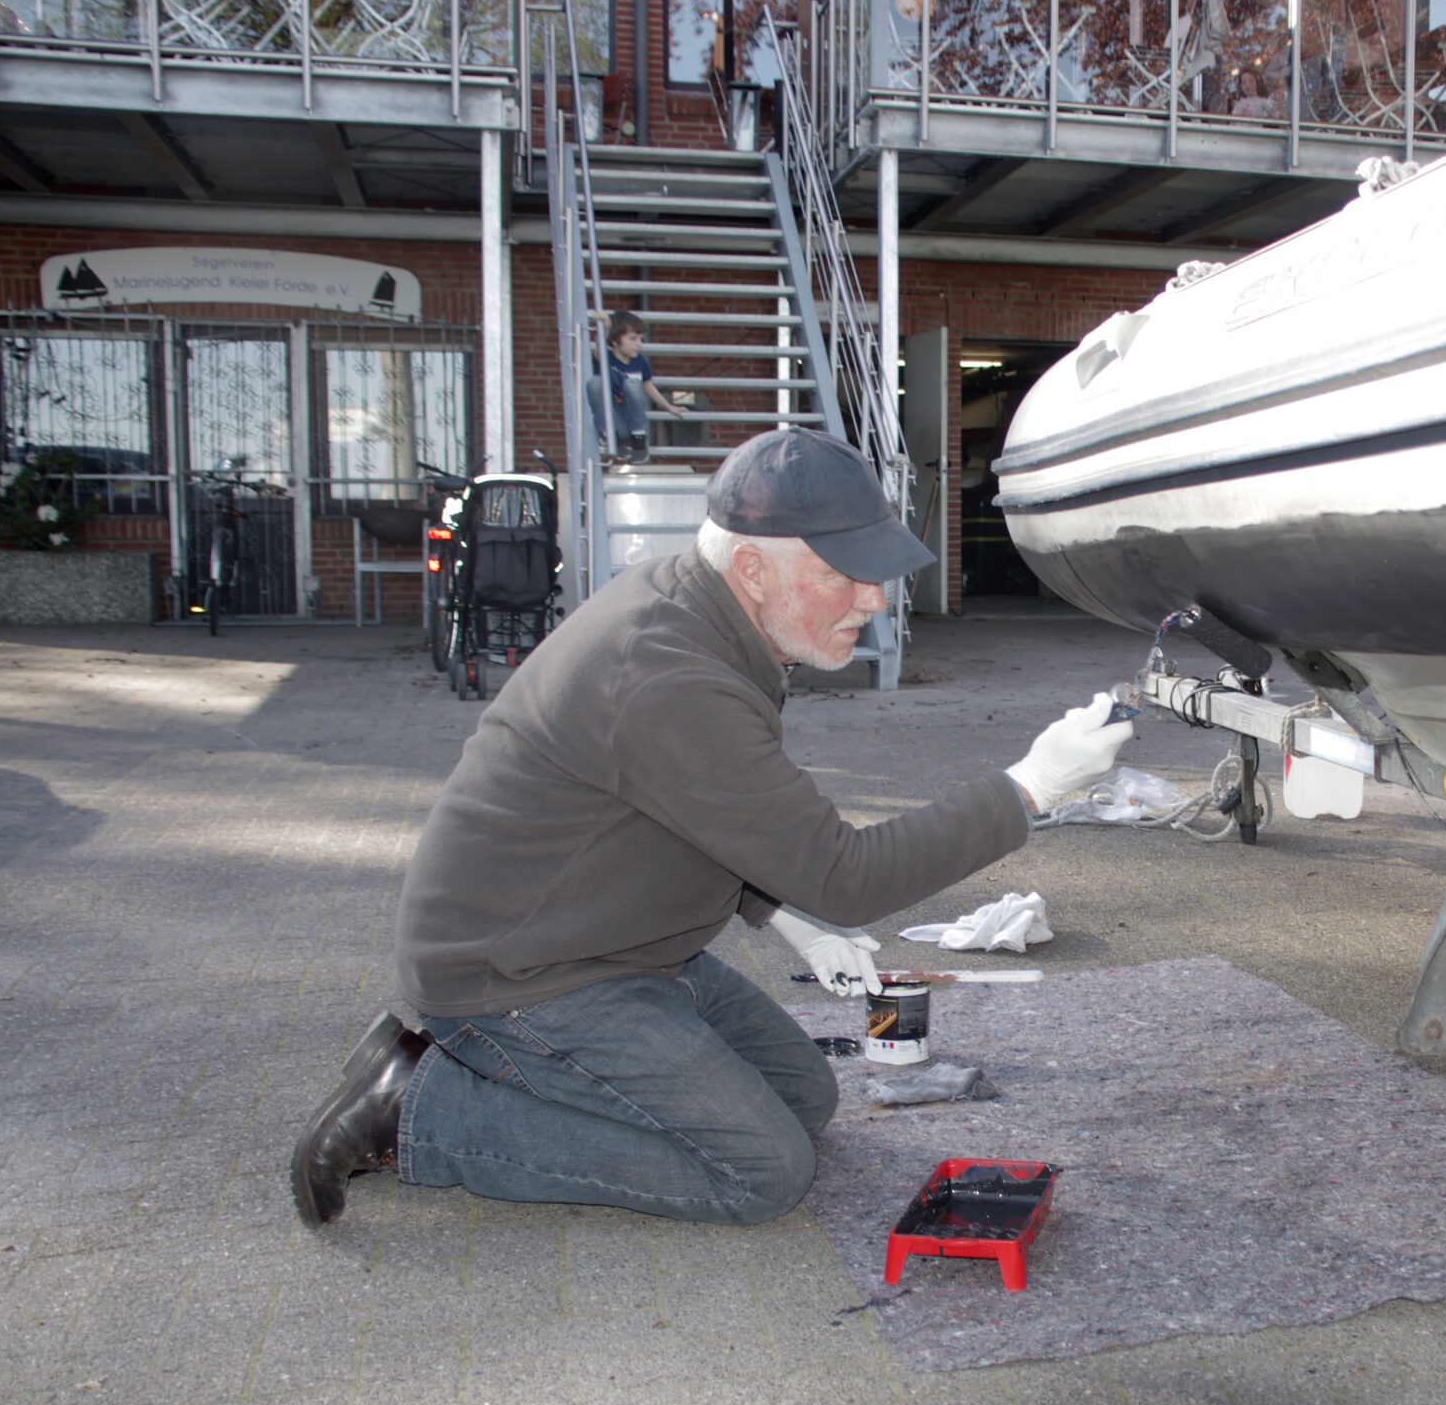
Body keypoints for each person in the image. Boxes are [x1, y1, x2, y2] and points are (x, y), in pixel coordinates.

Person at [290, 427, 1133, 1228]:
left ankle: (540, 1085)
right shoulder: (668, 673)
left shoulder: (703, 611)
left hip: (615, 944)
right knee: (761, 1173)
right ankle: (413, 1108)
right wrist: (1030, 789)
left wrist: (781, 911)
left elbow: (704, 807)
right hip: (518, 978)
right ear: (756, 570)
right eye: (846, 574)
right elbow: (851, 876)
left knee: (806, 1099)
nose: (873, 599)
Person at [601, 310, 690, 464]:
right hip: (616, 419)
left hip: (632, 419)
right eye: (633, 338)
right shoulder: (605, 358)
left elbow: (647, 385)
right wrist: (605, 329)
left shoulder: (639, 361)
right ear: (615, 340)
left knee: (633, 384)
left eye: (640, 339)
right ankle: (611, 438)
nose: (639, 344)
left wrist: (668, 407)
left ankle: (639, 436)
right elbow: (598, 351)